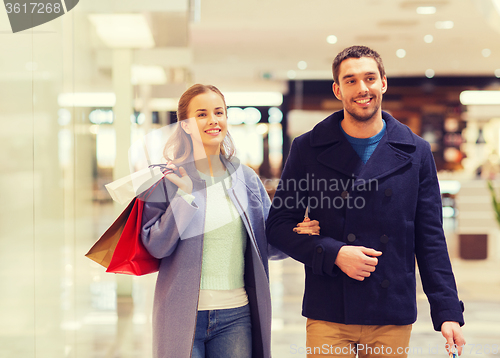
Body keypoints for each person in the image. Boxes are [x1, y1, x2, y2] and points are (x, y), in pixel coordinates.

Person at [266, 46, 465, 358]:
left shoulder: (416, 152)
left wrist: (447, 310)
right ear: (337, 89)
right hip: (329, 307)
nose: (362, 89)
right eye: (351, 80)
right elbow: (277, 226)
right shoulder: (307, 148)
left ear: (383, 83)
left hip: (390, 309)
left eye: (370, 78)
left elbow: (430, 237)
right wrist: (335, 253)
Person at [140, 84, 320, 358]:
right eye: (202, 114)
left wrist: (298, 232)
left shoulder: (245, 179)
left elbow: (269, 243)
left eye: (219, 112)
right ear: (186, 125)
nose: (213, 120)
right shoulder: (170, 179)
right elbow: (156, 247)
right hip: (182, 314)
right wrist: (184, 197)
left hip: (236, 316)